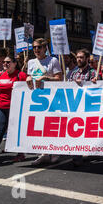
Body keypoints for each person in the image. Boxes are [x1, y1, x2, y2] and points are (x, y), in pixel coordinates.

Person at [26, 38, 63, 166]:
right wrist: (28, 77)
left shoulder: (53, 61)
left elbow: (59, 79)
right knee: (39, 125)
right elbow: (30, 77)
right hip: (37, 99)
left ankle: (55, 150)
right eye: (34, 47)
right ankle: (43, 153)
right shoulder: (31, 62)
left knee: (51, 125)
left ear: (45, 48)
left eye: (39, 47)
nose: (36, 50)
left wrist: (46, 78)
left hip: (51, 98)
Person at [68, 49, 97, 167]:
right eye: (77, 57)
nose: (78, 59)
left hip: (89, 106)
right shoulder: (74, 73)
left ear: (86, 59)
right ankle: (77, 156)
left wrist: (92, 82)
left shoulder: (92, 72)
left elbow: (97, 86)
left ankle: (88, 151)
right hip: (76, 106)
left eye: (81, 57)